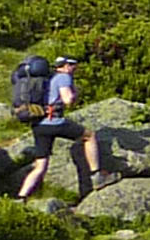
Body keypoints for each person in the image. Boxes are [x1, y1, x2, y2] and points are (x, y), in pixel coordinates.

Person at [10, 52, 102, 204]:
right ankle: (97, 175)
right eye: (73, 65)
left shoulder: (48, 77)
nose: (75, 68)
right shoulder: (63, 77)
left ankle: (21, 197)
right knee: (89, 136)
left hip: (39, 124)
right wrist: (74, 94)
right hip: (55, 122)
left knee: (40, 166)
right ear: (66, 66)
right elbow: (67, 100)